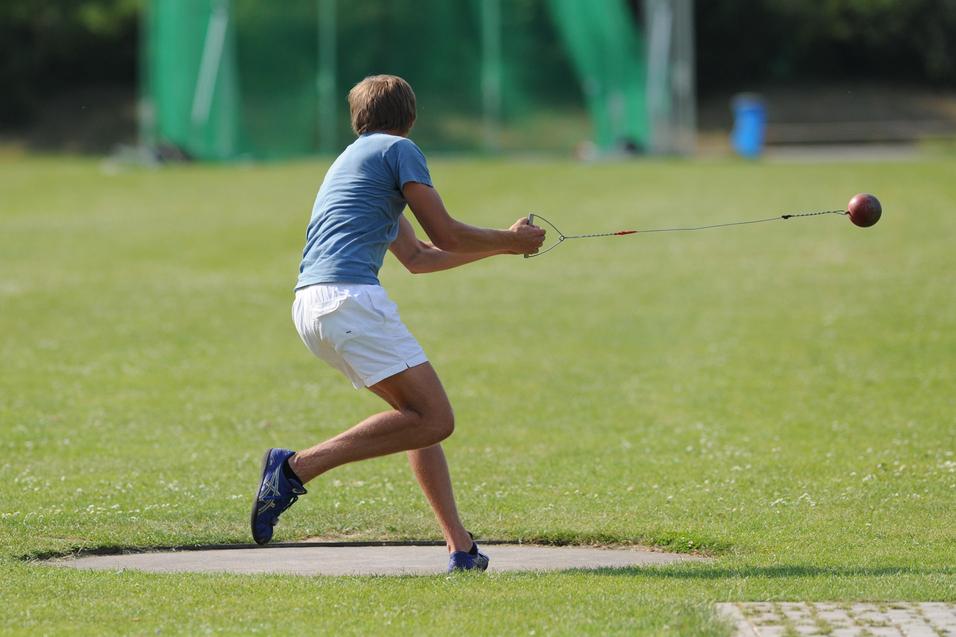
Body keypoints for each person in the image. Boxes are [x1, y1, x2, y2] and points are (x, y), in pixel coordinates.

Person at [250, 75, 545, 572]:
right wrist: (512, 241)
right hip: (350, 301)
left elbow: (418, 257)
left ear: (357, 119)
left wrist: (499, 247)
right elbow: (446, 232)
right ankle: (295, 467)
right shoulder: (399, 149)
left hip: (311, 306)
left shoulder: (351, 159)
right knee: (436, 418)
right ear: (410, 117)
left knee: (416, 421)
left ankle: (460, 547)